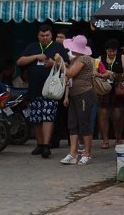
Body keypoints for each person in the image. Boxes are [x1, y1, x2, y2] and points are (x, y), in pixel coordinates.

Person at [16, 24, 69, 158]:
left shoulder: (58, 47)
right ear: (38, 36)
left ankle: (46, 145)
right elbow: (20, 62)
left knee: (48, 116)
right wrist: (35, 57)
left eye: (47, 35)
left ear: (51, 35)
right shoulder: (32, 46)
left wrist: (53, 63)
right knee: (36, 118)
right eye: (42, 35)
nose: (45, 37)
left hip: (51, 89)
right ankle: (39, 144)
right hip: (34, 89)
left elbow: (67, 64)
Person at [56, 35, 98, 165]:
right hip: (75, 94)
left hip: (84, 94)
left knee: (84, 124)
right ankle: (72, 153)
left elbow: (70, 73)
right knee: (72, 123)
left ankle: (87, 153)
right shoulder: (75, 59)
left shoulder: (84, 59)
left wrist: (60, 63)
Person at [97, 38, 124, 149]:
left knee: (117, 115)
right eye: (110, 51)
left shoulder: (122, 57)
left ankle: (118, 136)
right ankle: (105, 140)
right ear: (106, 50)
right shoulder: (100, 58)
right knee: (103, 114)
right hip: (104, 88)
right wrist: (104, 75)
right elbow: (96, 72)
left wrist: (118, 75)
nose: (112, 53)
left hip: (118, 87)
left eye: (114, 51)